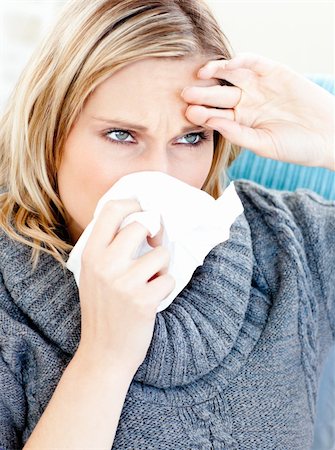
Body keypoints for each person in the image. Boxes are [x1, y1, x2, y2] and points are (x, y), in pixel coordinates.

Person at [0, 0, 334, 449]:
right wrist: (105, 357)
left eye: (190, 138)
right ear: (50, 131)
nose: (160, 175)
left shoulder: (292, 243)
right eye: (122, 135)